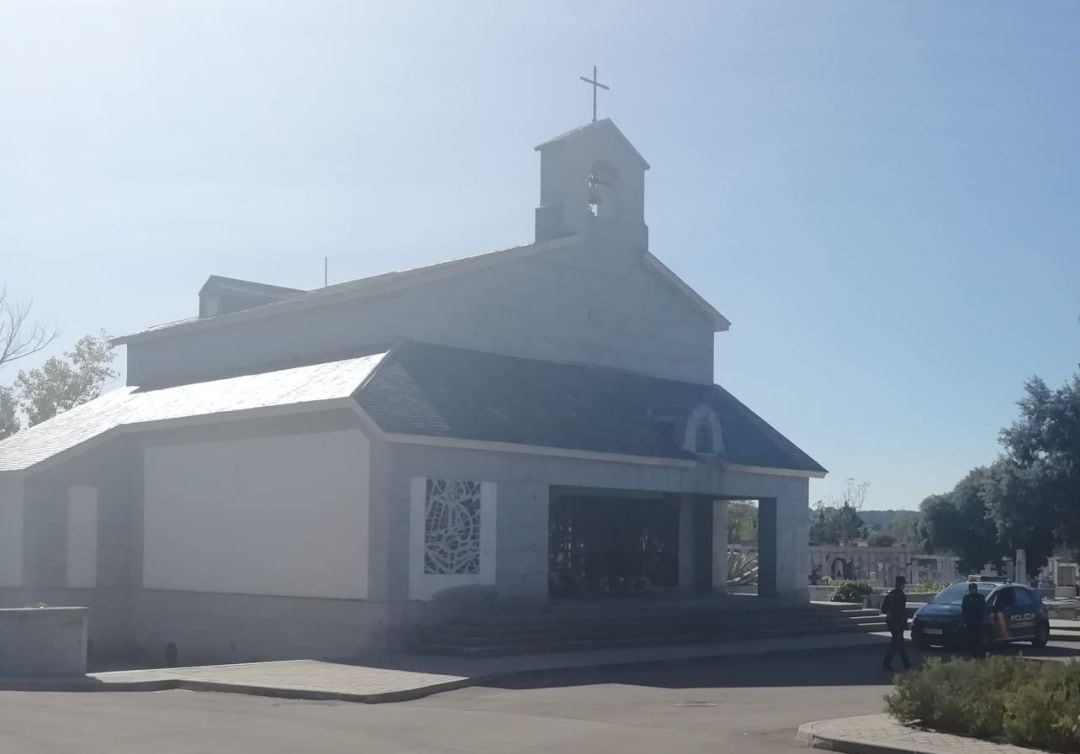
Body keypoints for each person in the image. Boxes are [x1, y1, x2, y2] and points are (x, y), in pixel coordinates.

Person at [881, 576, 912, 671]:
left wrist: (889, 612)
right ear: (902, 584)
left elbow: (883, 608)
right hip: (897, 623)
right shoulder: (901, 595)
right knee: (896, 644)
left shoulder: (890, 594)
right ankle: (887, 663)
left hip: (891, 622)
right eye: (904, 584)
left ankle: (906, 664)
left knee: (899, 643)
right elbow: (901, 611)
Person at [961, 581, 987, 659]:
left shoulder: (980, 597)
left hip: (978, 621)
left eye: (974, 589)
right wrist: (966, 620)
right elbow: (964, 609)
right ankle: (974, 653)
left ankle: (982, 654)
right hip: (970, 621)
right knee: (971, 639)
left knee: (980, 638)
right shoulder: (966, 598)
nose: (973, 590)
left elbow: (982, 608)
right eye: (971, 589)